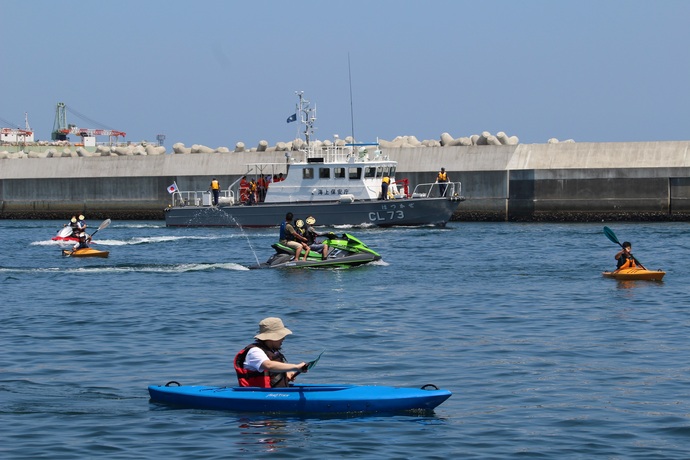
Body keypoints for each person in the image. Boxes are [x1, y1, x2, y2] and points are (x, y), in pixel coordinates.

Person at [234, 317, 307, 388]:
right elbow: (269, 365)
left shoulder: (272, 351)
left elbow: (273, 371)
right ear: (272, 337)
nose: (284, 338)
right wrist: (296, 367)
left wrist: (285, 373)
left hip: (275, 393)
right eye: (281, 336)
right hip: (258, 395)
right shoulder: (255, 352)